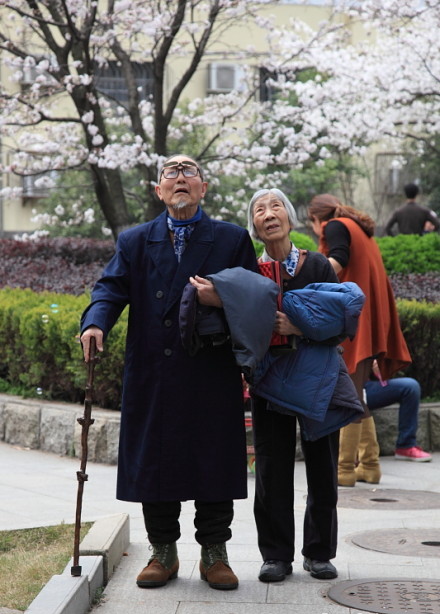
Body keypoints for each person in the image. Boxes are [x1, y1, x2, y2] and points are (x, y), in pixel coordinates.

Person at [80, 154, 258, 591]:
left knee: (213, 458)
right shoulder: (135, 240)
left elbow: (255, 296)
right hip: (153, 370)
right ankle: (163, 549)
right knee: (156, 461)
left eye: (189, 172)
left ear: (204, 187)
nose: (179, 178)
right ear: (158, 190)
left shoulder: (231, 239)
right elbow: (110, 287)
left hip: (209, 369)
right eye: (170, 173)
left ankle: (214, 552)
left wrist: (221, 298)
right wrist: (96, 321)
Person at [247, 188, 342, 583]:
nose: (268, 214)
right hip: (269, 379)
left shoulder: (317, 265)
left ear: (289, 217)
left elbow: (340, 323)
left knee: (323, 465)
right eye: (259, 210)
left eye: (275, 206)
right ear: (253, 226)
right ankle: (275, 555)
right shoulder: (250, 272)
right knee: (271, 466)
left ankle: (319, 552)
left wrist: (298, 327)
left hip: (317, 378)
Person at [309, 194, 412, 487]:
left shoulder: (335, 225)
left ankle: (343, 470)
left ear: (316, 220)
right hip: (368, 317)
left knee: (351, 396)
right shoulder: (357, 227)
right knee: (358, 395)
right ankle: (370, 465)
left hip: (356, 319)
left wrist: (308, 279)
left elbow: (339, 259)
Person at [366, 361, 432, 462]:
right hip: (343, 388)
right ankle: (348, 453)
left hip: (367, 387)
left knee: (410, 387)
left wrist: (380, 364)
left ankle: (406, 445)